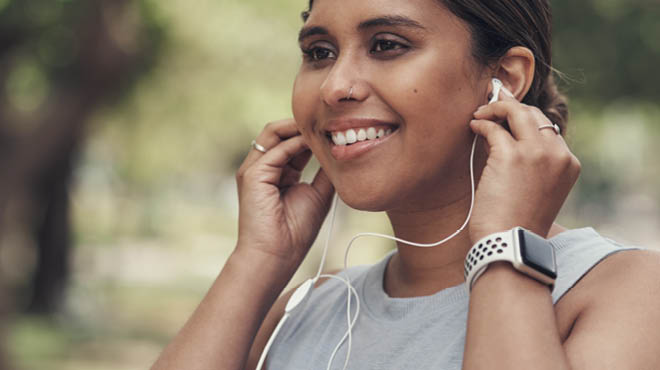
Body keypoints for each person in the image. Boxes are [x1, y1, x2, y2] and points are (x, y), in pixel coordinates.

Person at [151, 1, 660, 369]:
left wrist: (505, 245)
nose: (334, 86)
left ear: (505, 77)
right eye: (320, 51)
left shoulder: (626, 292)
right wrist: (258, 259)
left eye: (387, 45)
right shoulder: (306, 309)